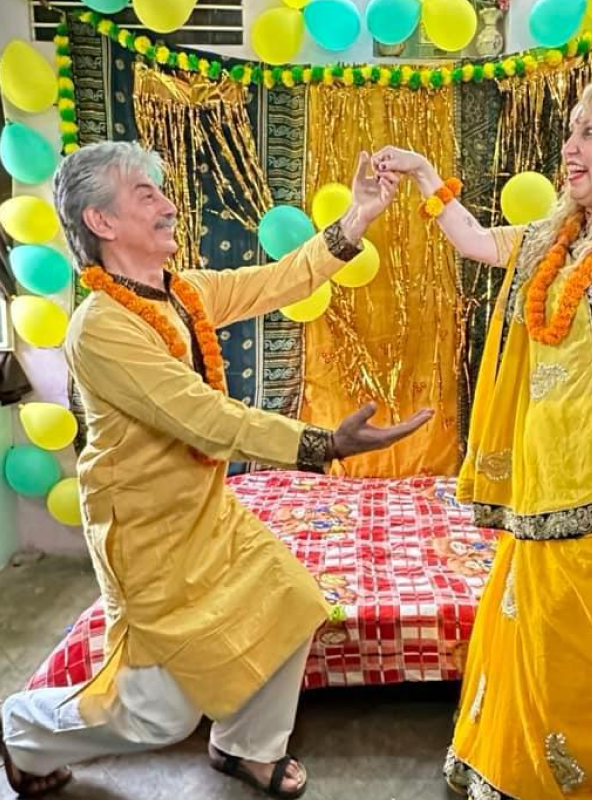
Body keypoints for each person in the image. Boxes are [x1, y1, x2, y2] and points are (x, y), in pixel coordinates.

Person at [1, 141, 432, 799]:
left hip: (207, 509)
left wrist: (358, 217)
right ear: (101, 221)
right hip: (143, 531)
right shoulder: (101, 327)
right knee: (158, 714)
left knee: (292, 602)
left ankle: (245, 748)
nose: (168, 205)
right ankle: (21, 730)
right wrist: (323, 445)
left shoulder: (184, 293)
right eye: (145, 194)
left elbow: (282, 279)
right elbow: (204, 418)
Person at [373, 78, 592, 800]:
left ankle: (552, 777)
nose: (570, 145)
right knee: (524, 625)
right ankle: (502, 764)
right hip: (542, 476)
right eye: (571, 129)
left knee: (577, 643)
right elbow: (475, 242)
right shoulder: (554, 239)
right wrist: (426, 175)